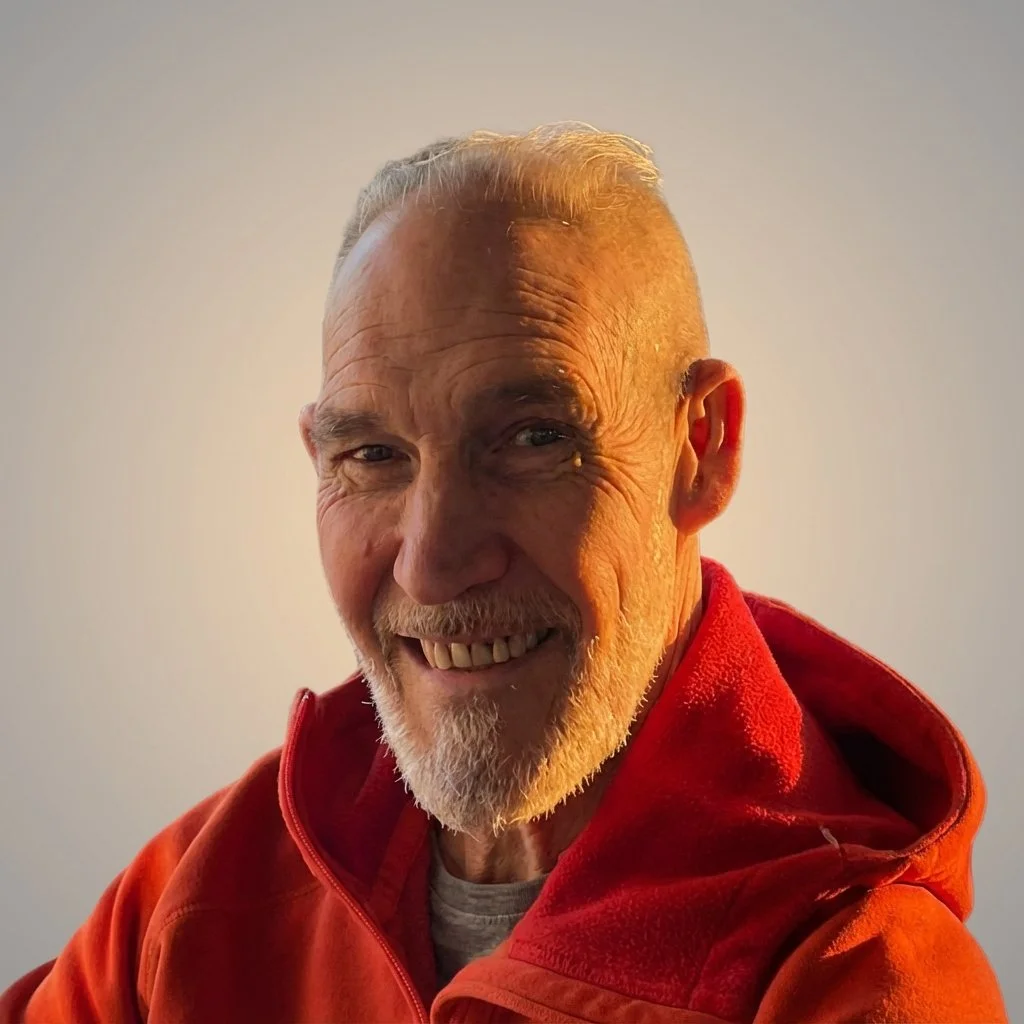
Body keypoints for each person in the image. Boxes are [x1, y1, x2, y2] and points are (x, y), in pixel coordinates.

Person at [1, 123, 1006, 1023]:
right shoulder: (194, 902)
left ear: (700, 446)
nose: (435, 563)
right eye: (373, 457)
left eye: (530, 438)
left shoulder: (855, 980)